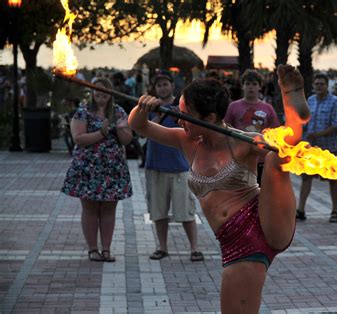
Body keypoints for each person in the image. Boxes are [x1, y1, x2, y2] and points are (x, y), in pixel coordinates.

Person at [129, 64, 310, 313]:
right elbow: (140, 127)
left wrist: (271, 139)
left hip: (260, 228)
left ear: (211, 118)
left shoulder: (242, 142)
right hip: (231, 240)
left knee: (276, 158)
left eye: (186, 114)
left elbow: (287, 145)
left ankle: (294, 105)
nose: (180, 120)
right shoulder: (186, 140)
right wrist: (142, 107)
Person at [61, 78, 133, 262]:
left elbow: (126, 140)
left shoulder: (118, 112)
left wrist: (122, 129)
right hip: (88, 167)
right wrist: (101, 133)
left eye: (105, 90)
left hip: (112, 167)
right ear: (92, 92)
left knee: (109, 209)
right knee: (90, 208)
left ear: (111, 93)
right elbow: (78, 138)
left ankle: (107, 249)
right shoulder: (83, 111)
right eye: (97, 90)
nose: (101, 94)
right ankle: (93, 249)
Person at [144, 70, 204, 261]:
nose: (162, 87)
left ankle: (194, 248)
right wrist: (157, 114)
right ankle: (162, 247)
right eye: (159, 85)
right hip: (156, 164)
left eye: (165, 84)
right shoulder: (149, 108)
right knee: (158, 211)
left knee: (186, 210)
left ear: (172, 86)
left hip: (180, 166)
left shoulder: (182, 108)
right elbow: (142, 129)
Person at [296, 73, 337, 222]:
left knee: (333, 179)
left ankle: (335, 211)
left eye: (321, 84)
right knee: (306, 178)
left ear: (327, 86)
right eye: (316, 84)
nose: (318, 86)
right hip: (312, 150)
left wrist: (318, 135)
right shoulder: (310, 101)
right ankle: (301, 210)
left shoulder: (334, 102)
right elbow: (303, 122)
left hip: (330, 149)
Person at [224, 69, 280, 185]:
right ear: (242, 86)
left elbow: (276, 134)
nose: (251, 87)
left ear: (260, 87)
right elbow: (225, 130)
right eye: (247, 84)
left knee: (262, 197)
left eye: (254, 84)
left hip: (262, 161)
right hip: (238, 161)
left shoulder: (268, 108)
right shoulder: (233, 107)